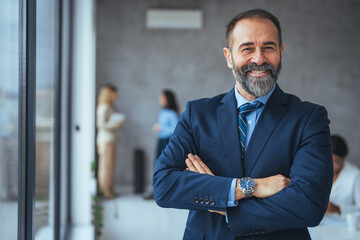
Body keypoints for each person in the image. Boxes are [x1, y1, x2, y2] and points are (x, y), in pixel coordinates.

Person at [153, 9, 333, 239]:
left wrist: (221, 201)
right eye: (247, 48)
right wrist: (249, 187)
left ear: (281, 51)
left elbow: (309, 205)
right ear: (228, 57)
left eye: (268, 47)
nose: (259, 59)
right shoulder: (197, 114)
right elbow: (164, 185)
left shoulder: (309, 118)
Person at [144, 89, 179, 200]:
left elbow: (174, 129)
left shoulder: (172, 113)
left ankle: (163, 190)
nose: (160, 100)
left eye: (162, 97)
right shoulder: (163, 112)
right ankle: (156, 189)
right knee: (157, 164)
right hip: (160, 140)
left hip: (167, 141)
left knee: (164, 165)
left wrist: (161, 128)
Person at [96, 84, 124, 199]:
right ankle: (104, 189)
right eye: (114, 93)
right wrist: (115, 124)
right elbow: (101, 124)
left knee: (111, 165)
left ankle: (110, 188)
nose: (116, 95)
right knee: (106, 166)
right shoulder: (104, 107)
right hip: (106, 140)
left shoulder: (111, 106)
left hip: (111, 139)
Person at [327, 135, 360, 215]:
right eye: (329, 160)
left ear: (344, 158)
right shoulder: (315, 169)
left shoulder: (355, 175)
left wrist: (338, 209)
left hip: (342, 225)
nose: (332, 166)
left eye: (337, 162)